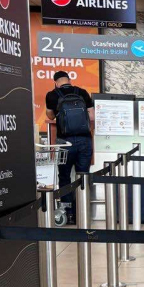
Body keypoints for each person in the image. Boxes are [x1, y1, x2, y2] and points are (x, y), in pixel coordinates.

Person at [45, 71, 94, 225]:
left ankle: (68, 213)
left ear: (55, 82)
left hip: (64, 142)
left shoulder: (52, 95)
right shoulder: (82, 92)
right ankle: (82, 212)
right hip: (84, 141)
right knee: (83, 176)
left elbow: (50, 116)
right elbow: (92, 116)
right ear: (69, 80)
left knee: (65, 177)